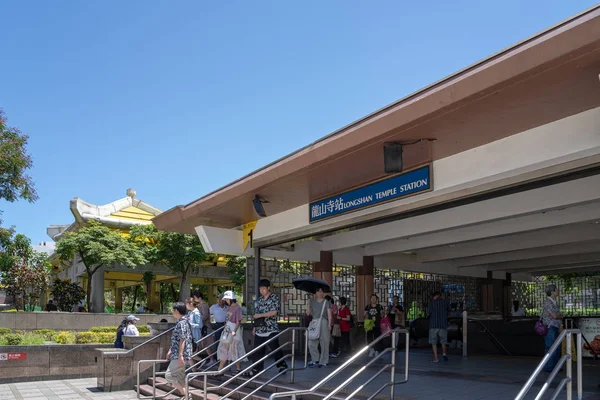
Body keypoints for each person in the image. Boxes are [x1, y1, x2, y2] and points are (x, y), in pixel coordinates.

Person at [248, 279, 288, 376]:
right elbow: (256, 314)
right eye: (260, 289)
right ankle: (257, 368)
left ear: (268, 288)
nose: (262, 291)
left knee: (275, 348)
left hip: (271, 328)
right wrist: (254, 327)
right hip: (260, 329)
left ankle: (282, 365)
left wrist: (261, 315)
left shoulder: (274, 298)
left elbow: (274, 312)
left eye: (264, 289)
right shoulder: (259, 300)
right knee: (258, 350)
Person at [165, 302, 193, 396]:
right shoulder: (183, 322)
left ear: (176, 311)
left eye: (173, 310)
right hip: (179, 354)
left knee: (169, 375)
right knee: (181, 378)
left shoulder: (182, 323)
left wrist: (180, 355)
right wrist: (170, 350)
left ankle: (186, 394)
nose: (173, 313)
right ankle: (186, 396)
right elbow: (177, 339)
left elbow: (182, 339)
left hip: (180, 355)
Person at [217, 291, 247, 374]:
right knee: (224, 347)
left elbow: (238, 321)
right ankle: (220, 368)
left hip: (233, 329)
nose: (226, 301)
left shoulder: (237, 308)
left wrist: (234, 331)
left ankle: (238, 368)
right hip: (227, 329)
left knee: (234, 348)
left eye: (227, 299)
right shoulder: (229, 307)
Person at [307, 289, 333, 368]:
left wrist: (329, 324)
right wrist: (308, 304)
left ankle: (324, 361)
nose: (320, 293)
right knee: (311, 342)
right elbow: (308, 313)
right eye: (318, 291)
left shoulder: (326, 302)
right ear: (315, 292)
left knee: (324, 342)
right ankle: (315, 359)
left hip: (324, 322)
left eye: (322, 291)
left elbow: (329, 314)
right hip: (314, 322)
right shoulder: (312, 302)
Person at [541, 284, 562, 372]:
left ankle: (555, 366)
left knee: (557, 347)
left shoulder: (554, 302)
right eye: (556, 290)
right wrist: (561, 316)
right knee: (550, 347)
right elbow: (554, 316)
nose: (558, 291)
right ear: (552, 292)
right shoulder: (548, 302)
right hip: (550, 327)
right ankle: (549, 367)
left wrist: (561, 325)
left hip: (555, 326)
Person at [428, 291, 451, 363]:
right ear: (440, 296)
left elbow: (429, 312)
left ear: (434, 296)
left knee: (433, 342)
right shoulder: (446, 302)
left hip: (433, 325)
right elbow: (449, 312)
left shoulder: (431, 303)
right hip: (442, 325)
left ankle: (436, 358)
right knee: (443, 341)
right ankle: (444, 353)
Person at [193, 291, 215, 364]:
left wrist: (196, 319)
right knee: (202, 344)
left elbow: (204, 316)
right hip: (202, 327)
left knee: (204, 344)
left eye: (195, 298)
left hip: (205, 327)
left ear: (199, 298)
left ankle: (211, 359)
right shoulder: (200, 305)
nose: (194, 299)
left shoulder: (204, 306)